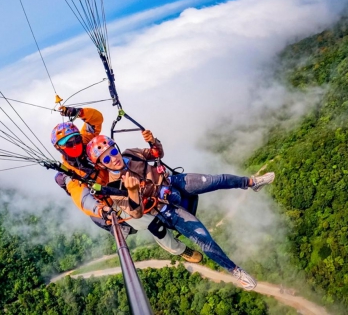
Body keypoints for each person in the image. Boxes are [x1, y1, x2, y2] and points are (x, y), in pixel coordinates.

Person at [85, 132, 275, 291]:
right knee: (203, 238)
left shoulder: (131, 154)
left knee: (217, 180)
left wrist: (152, 141)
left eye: (113, 151)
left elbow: (156, 153)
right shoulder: (114, 186)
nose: (114, 158)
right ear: (102, 164)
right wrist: (133, 191)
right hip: (164, 208)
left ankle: (252, 183)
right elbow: (135, 213)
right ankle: (235, 271)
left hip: (172, 183)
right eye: (107, 158)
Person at [51, 106, 202, 263]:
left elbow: (96, 119)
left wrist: (78, 112)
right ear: (60, 148)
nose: (75, 144)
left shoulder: (86, 141)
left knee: (162, 180)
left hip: (124, 177)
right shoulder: (70, 174)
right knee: (153, 223)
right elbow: (83, 198)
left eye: (76, 139)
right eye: (69, 144)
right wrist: (101, 210)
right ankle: (179, 249)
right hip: (114, 200)